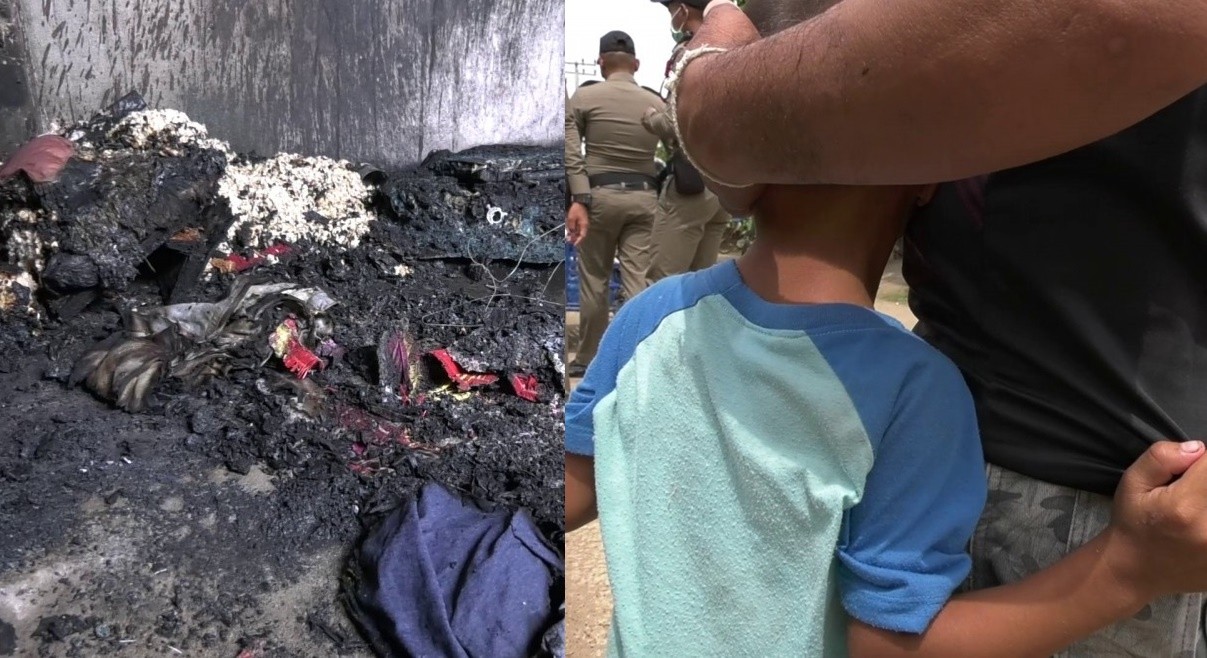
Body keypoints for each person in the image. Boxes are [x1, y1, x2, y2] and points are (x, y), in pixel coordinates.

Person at [565, 2, 1207, 656]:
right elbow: (884, 646)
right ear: (931, 179)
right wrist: (1126, 569)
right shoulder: (912, 392)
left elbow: (570, 492)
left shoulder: (653, 316)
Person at [565, 31, 665, 379]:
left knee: (594, 280)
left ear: (601, 62)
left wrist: (579, 198)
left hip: (599, 199)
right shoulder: (654, 102)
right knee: (637, 281)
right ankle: (635, 355)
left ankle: (588, 358)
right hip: (645, 199)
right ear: (636, 64)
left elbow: (571, 153)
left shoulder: (584, 97)